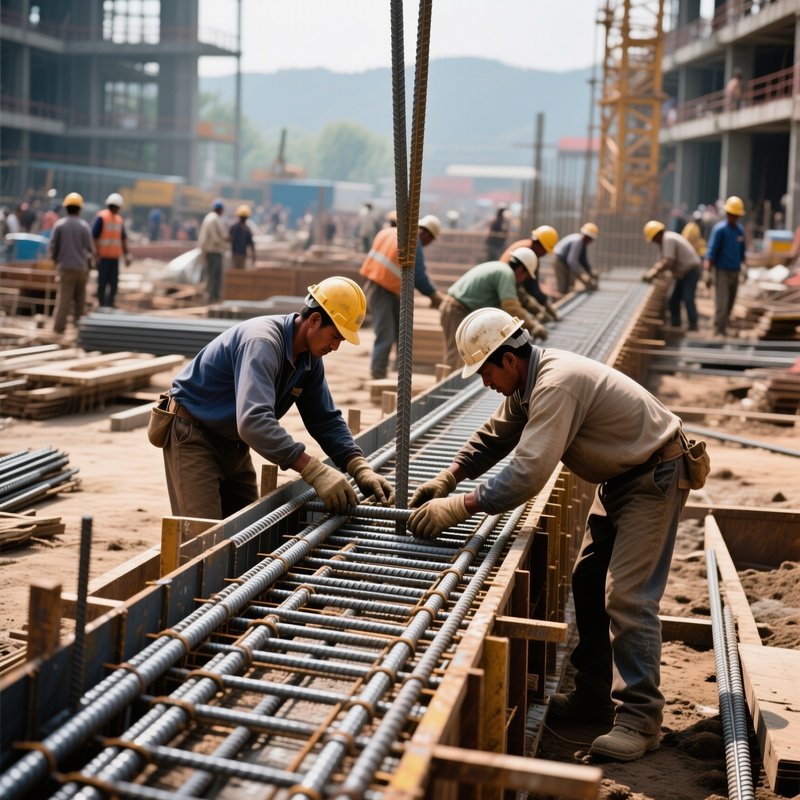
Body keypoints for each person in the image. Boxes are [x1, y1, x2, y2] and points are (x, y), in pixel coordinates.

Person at [408, 307, 695, 762]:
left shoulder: (555, 383)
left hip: (654, 476)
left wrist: (459, 505)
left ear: (508, 359)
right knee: (586, 580)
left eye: (484, 372)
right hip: (621, 478)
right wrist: (450, 475)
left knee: (627, 597)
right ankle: (593, 698)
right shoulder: (527, 380)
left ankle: (641, 720)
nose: (484, 383)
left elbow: (527, 473)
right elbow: (495, 437)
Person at [160, 277, 394, 520]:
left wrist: (359, 467)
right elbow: (253, 422)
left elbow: (324, 419)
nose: (336, 346)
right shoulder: (263, 342)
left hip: (232, 441)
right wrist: (315, 471)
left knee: (245, 533)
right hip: (193, 435)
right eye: (335, 336)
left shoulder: (309, 360)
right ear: (314, 320)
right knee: (202, 537)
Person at [359, 214, 444, 380]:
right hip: (382, 291)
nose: (428, 244)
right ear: (426, 234)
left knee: (400, 333)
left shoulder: (388, 232)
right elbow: (418, 275)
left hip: (383, 288)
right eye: (431, 240)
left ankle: (399, 375)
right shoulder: (413, 241)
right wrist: (434, 296)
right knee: (386, 334)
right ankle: (377, 374)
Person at [438, 247, 548, 372]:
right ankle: (451, 387)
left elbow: (520, 295)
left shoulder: (501, 269)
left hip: (457, 308)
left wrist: (537, 309)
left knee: (460, 355)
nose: (524, 280)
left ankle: (452, 384)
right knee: (458, 355)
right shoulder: (506, 274)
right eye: (526, 276)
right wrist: (533, 325)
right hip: (457, 310)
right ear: (522, 270)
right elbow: (511, 306)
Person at [642, 220, 702, 331]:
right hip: (683, 272)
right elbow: (663, 260)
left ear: (657, 235)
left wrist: (655, 271)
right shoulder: (665, 241)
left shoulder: (668, 239)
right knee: (673, 300)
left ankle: (693, 325)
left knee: (688, 298)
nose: (654, 242)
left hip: (690, 270)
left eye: (654, 239)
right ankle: (676, 324)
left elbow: (668, 261)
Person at [49, 192, 94, 335]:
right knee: (80, 302)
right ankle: (79, 331)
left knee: (64, 301)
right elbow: (90, 249)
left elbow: (53, 248)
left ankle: (59, 329)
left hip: (65, 269)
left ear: (66, 208)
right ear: (80, 209)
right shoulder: (84, 226)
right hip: (81, 269)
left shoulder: (60, 225)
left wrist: (56, 262)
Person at [705, 195, 747, 337]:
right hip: (722, 271)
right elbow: (712, 250)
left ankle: (724, 327)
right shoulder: (720, 230)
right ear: (727, 214)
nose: (733, 218)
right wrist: (708, 271)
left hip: (735, 271)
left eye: (736, 215)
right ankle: (718, 330)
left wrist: (744, 267)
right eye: (731, 215)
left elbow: (742, 251)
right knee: (721, 303)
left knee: (730, 302)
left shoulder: (740, 231)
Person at [501, 224, 561, 322]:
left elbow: (531, 285)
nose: (545, 254)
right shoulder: (527, 254)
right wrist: (541, 309)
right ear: (540, 246)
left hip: (509, 286)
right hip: (505, 289)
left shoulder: (526, 247)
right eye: (545, 251)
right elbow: (531, 287)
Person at [92, 192, 131, 308]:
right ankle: (102, 304)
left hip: (114, 258)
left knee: (113, 283)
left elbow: (123, 239)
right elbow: (94, 236)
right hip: (103, 257)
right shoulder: (102, 217)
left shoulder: (119, 220)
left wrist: (127, 255)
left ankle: (110, 304)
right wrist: (95, 254)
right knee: (102, 282)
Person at [553, 223, 599, 295]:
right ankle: (560, 301)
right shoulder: (578, 241)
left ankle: (566, 296)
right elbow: (572, 260)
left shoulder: (583, 243)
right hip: (560, 262)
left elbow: (583, 260)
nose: (591, 241)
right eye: (591, 239)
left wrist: (590, 271)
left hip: (565, 262)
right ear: (587, 237)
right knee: (563, 287)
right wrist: (582, 274)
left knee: (570, 284)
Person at [198, 199, 228, 302]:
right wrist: (224, 243)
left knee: (211, 274)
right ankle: (211, 297)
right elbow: (215, 237)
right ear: (220, 210)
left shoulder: (209, 218)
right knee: (214, 275)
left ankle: (211, 296)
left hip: (210, 250)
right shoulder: (214, 219)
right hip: (214, 251)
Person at [229, 204, 256, 269]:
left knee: (234, 273)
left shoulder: (233, 227)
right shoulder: (247, 229)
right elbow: (251, 243)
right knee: (240, 273)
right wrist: (254, 256)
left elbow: (229, 239)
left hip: (235, 253)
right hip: (241, 254)